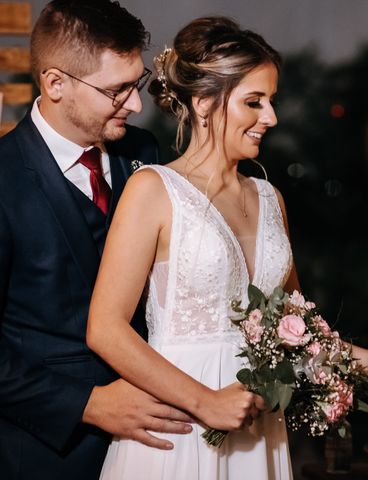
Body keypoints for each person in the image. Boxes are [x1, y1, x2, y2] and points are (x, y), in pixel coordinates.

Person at [86, 16, 368, 480]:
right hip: (178, 428)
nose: (271, 117)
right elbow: (105, 329)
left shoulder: (269, 199)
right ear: (204, 102)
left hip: (257, 430)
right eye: (254, 102)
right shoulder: (153, 188)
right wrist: (204, 402)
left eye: (271, 101)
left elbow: (302, 336)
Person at [0, 2, 193, 479]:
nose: (135, 104)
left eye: (137, 82)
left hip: (155, 448)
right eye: (116, 90)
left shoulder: (142, 152)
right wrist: (87, 404)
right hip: (45, 455)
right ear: (55, 84)